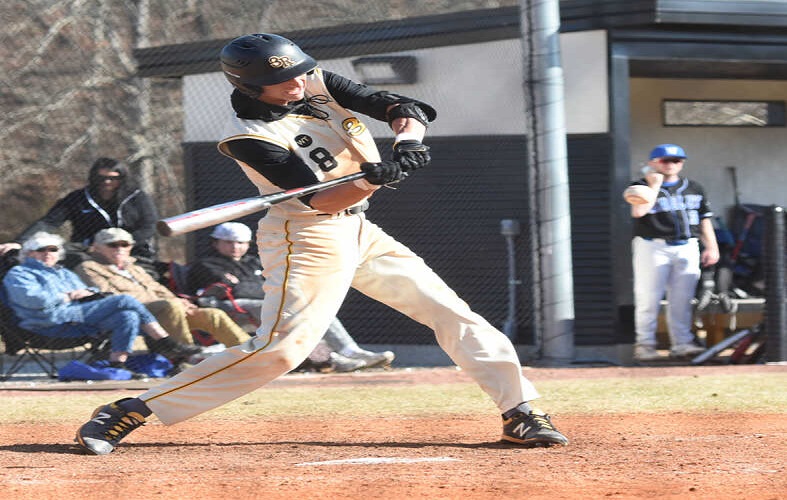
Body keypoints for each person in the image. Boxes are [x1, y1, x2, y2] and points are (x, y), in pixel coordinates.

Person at [74, 33, 568, 455]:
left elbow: (401, 107)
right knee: (284, 349)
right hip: (305, 235)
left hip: (362, 230)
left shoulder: (314, 80)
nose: (299, 84)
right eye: (284, 81)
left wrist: (407, 144)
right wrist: (373, 180)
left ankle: (520, 411)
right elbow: (321, 202)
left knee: (450, 312)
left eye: (302, 74)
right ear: (249, 85)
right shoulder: (248, 135)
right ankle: (129, 410)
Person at [186, 221, 395, 371]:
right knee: (291, 311)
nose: (235, 247)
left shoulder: (253, 262)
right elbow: (239, 292)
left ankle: (346, 352)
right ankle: (334, 358)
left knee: (313, 312)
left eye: (241, 243)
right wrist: (257, 287)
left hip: (267, 305)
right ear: (216, 243)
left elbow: (263, 285)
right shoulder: (206, 264)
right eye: (228, 242)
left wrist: (253, 287)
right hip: (231, 311)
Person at [2, 232, 202, 371]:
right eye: (41, 249)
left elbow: (91, 290)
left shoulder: (62, 272)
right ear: (29, 253)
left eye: (53, 249)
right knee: (124, 299)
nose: (48, 253)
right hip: (47, 321)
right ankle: (164, 341)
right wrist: (69, 296)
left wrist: (86, 292)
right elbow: (34, 300)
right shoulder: (19, 273)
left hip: (76, 317)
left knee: (128, 315)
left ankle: (117, 364)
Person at [74, 228, 250, 350]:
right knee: (170, 306)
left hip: (164, 310)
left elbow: (157, 288)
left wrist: (180, 301)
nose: (120, 249)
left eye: (125, 245)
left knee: (213, 314)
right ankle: (186, 357)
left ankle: (251, 353)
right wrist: (171, 302)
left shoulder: (133, 267)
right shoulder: (89, 267)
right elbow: (112, 297)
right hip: (133, 312)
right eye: (113, 245)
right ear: (97, 248)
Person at [626, 144, 720, 361]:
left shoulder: (694, 187)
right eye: (665, 160)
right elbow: (638, 212)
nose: (671, 165)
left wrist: (711, 246)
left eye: (676, 161)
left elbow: (704, 219)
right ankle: (645, 345)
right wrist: (654, 186)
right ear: (653, 163)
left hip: (687, 245)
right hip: (653, 246)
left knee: (682, 299)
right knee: (648, 298)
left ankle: (682, 343)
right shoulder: (640, 185)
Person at [0, 157, 159, 269]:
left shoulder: (136, 197)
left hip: (129, 251)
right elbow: (49, 222)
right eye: (101, 178)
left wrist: (122, 247)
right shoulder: (78, 198)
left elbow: (149, 226)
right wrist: (20, 241)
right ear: (93, 177)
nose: (107, 182)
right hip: (88, 250)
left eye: (113, 178)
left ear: (122, 178)